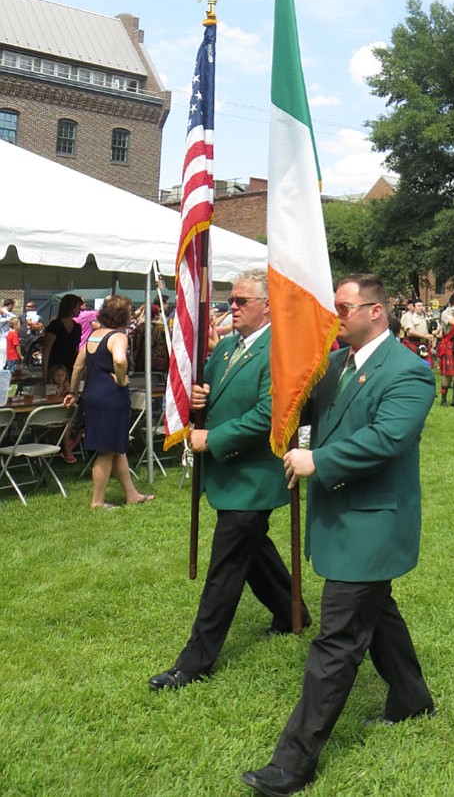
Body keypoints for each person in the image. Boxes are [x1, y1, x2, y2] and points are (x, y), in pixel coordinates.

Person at [241, 273, 435, 797]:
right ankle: (412, 698)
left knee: (337, 640)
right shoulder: (333, 365)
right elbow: (299, 407)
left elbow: (386, 439)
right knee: (378, 612)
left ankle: (291, 765)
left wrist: (317, 459)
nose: (335, 317)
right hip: (343, 520)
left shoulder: (410, 372)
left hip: (371, 523)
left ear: (376, 312)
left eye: (344, 308)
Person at [148, 270, 310, 692]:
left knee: (225, 568)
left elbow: (267, 416)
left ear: (267, 305)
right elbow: (210, 389)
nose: (231, 307)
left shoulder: (278, 353)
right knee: (253, 552)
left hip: (253, 478)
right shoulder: (226, 351)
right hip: (228, 476)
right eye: (230, 301)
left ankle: (194, 661)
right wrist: (201, 395)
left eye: (241, 301)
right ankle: (292, 611)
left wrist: (211, 438)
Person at [65, 295, 154, 509]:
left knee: (117, 446)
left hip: (92, 395)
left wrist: (73, 392)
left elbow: (78, 367)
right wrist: (122, 380)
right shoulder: (119, 337)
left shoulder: (94, 336)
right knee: (106, 450)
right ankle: (97, 501)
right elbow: (120, 360)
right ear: (124, 316)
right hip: (111, 397)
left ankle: (131, 494)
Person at [43, 293, 82, 382]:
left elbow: (76, 349)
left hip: (71, 367)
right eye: (78, 306)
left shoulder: (77, 327)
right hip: (56, 368)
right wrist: (45, 374)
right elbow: (46, 350)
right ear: (71, 307)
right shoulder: (55, 325)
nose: (80, 309)